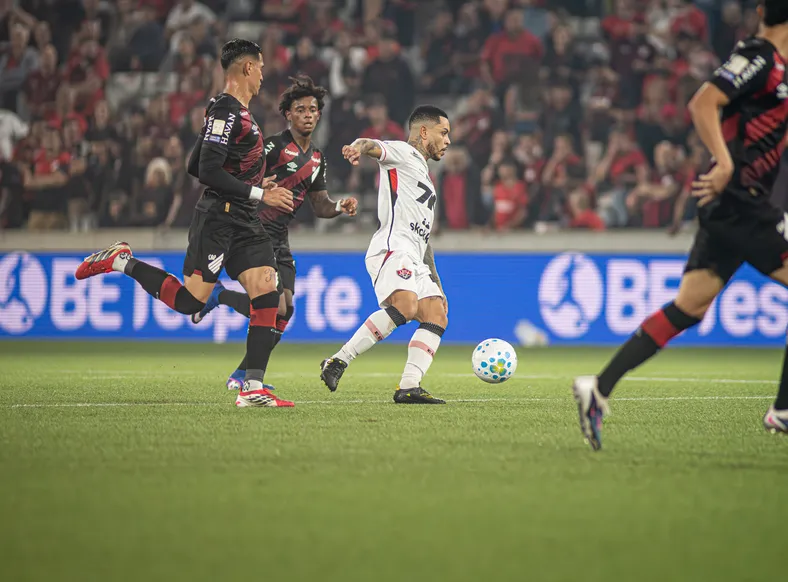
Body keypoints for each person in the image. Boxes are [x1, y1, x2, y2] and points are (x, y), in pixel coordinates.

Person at [573, 0, 788, 450]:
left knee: (689, 308)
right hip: (739, 202)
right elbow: (703, 102)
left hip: (736, 206)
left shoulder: (779, 67)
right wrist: (725, 162)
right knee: (689, 308)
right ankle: (784, 410)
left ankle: (599, 387)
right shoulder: (759, 56)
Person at [74, 39, 296, 408]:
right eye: (259, 67)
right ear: (246, 68)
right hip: (218, 218)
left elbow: (195, 164)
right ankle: (121, 260)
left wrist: (254, 185)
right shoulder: (228, 112)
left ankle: (252, 387)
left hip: (243, 216)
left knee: (267, 291)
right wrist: (259, 193)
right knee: (190, 300)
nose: (262, 73)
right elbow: (206, 172)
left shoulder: (232, 111)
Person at [192, 75, 359, 390]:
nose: (307, 114)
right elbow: (239, 175)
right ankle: (223, 303)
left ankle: (241, 373)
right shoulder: (272, 146)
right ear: (289, 115)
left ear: (319, 115)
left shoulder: (318, 159)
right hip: (255, 229)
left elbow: (320, 205)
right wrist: (260, 185)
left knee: (286, 311)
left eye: (312, 109)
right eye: (300, 110)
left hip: (281, 237)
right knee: (276, 306)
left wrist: (339, 206)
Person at [320, 106, 451, 404]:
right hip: (392, 248)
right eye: (443, 133)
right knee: (405, 307)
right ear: (423, 131)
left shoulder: (426, 179)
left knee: (437, 315)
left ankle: (409, 386)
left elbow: (424, 240)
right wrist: (357, 147)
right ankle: (338, 360)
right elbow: (372, 146)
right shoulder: (403, 154)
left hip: (414, 255)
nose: (448, 140)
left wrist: (435, 281)